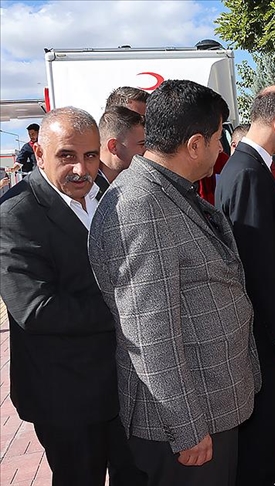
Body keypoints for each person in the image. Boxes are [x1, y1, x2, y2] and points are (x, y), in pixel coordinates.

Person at [88, 80, 261, 486]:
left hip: (210, 402)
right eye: (219, 139)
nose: (222, 150)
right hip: (186, 423)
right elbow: (150, 334)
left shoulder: (167, 191)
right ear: (196, 144)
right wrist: (186, 427)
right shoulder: (139, 205)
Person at [0, 107, 144, 486]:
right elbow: (36, 309)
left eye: (91, 155)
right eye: (67, 155)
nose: (81, 168)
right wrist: (130, 307)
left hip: (124, 384)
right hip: (66, 396)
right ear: (39, 152)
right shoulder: (15, 214)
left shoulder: (106, 194)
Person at [215, 85, 275, 486]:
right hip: (267, 335)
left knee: (267, 433)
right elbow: (255, 263)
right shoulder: (250, 172)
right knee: (263, 435)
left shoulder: (250, 167)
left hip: (267, 328)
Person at [95, 105, 146, 195]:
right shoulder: (88, 190)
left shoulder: (131, 183)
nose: (145, 150)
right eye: (141, 144)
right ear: (113, 146)